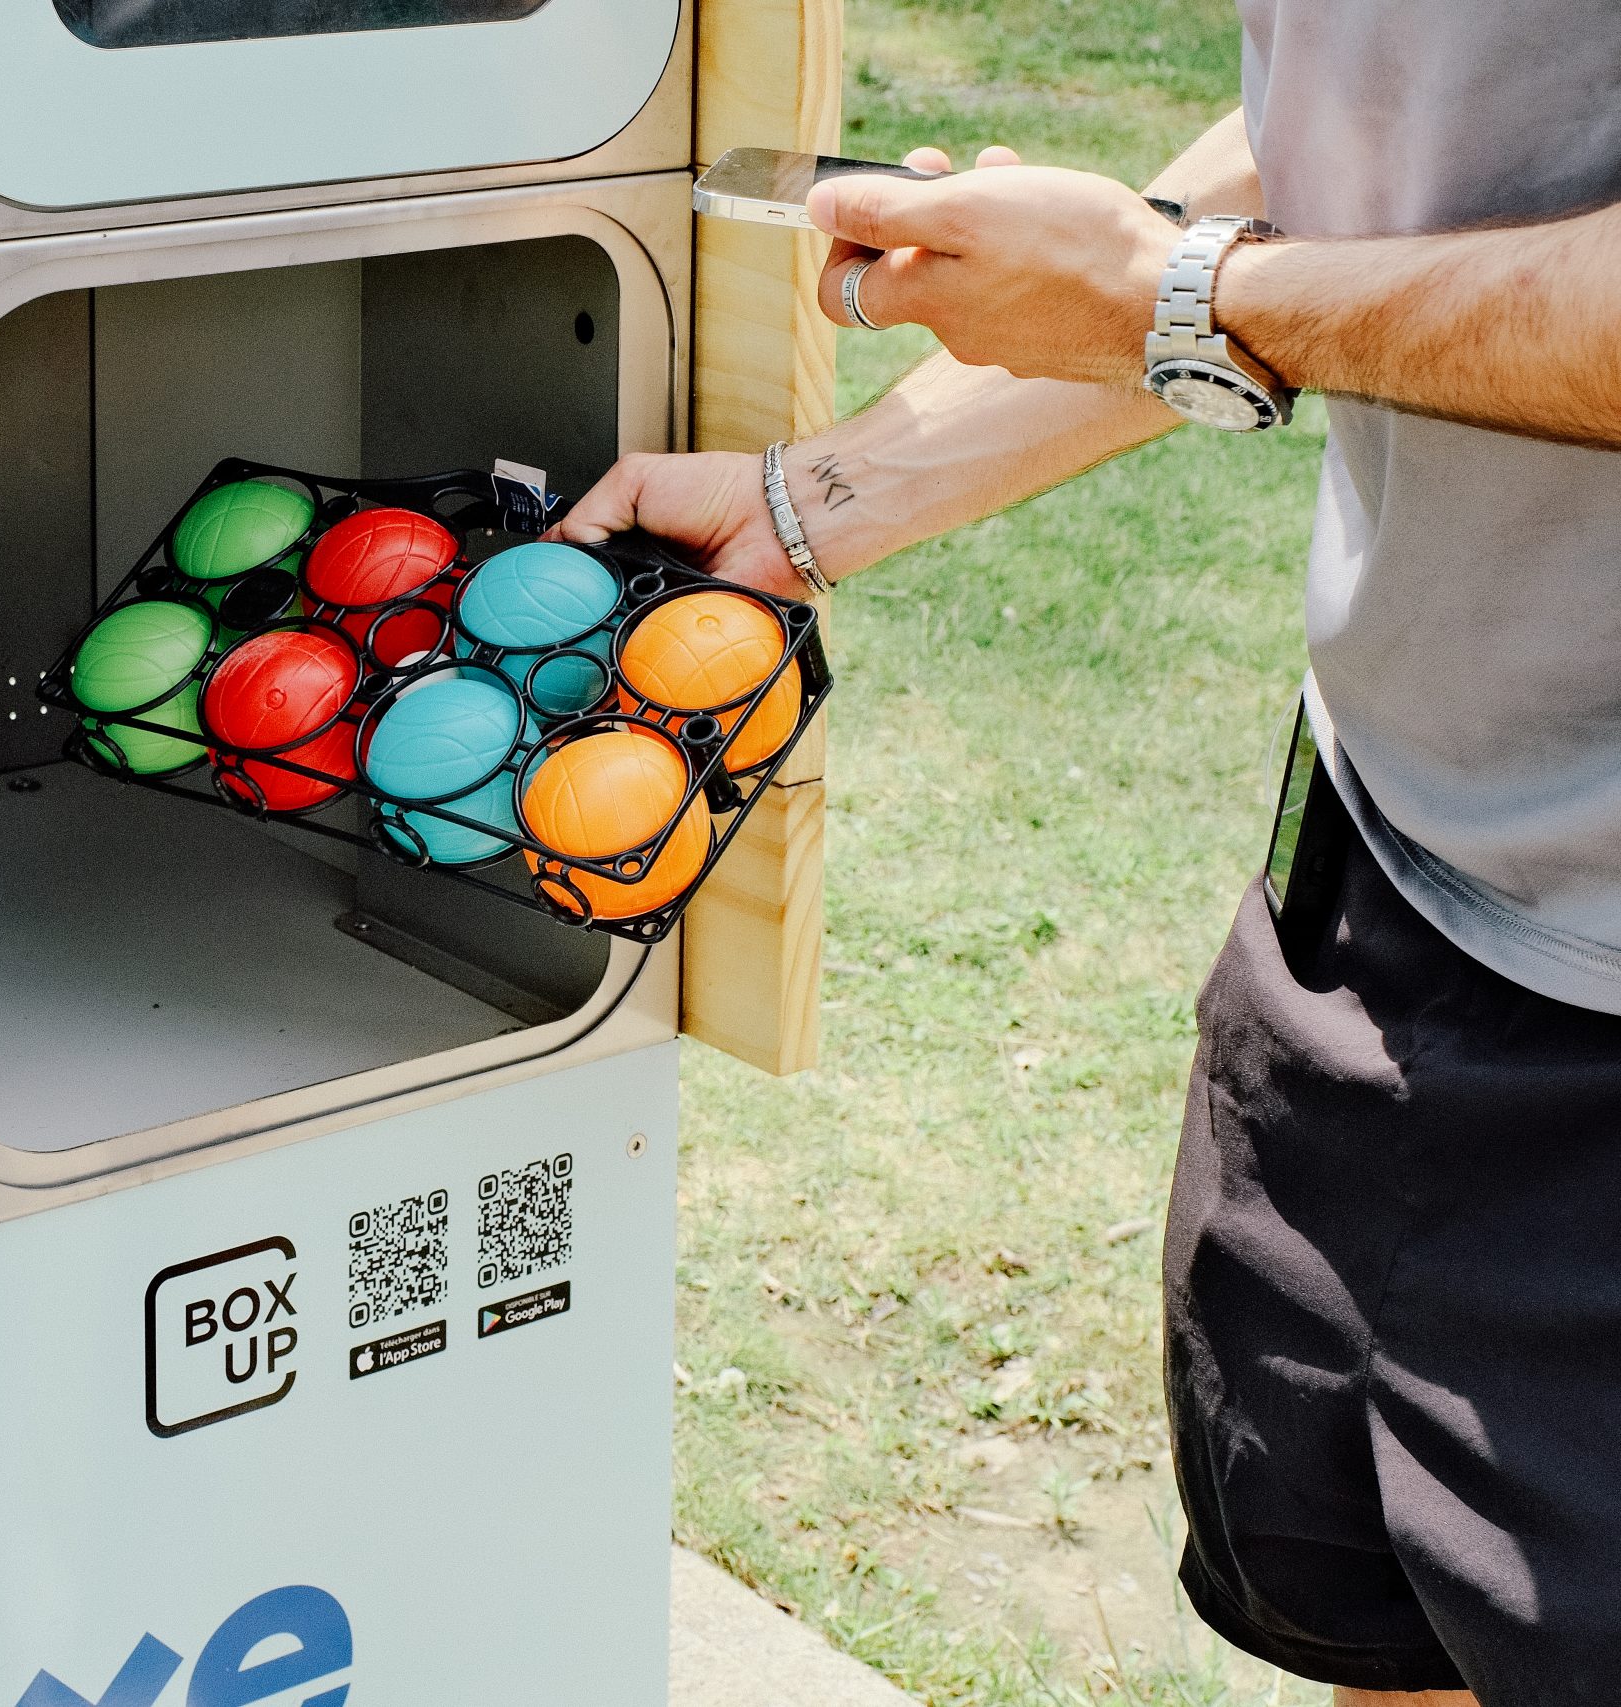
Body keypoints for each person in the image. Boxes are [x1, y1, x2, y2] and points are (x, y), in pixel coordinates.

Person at [557, 6, 1621, 1704]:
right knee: (1374, 1620)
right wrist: (826, 493)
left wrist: (1175, 294)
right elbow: (1401, 110)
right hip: (1378, 872)